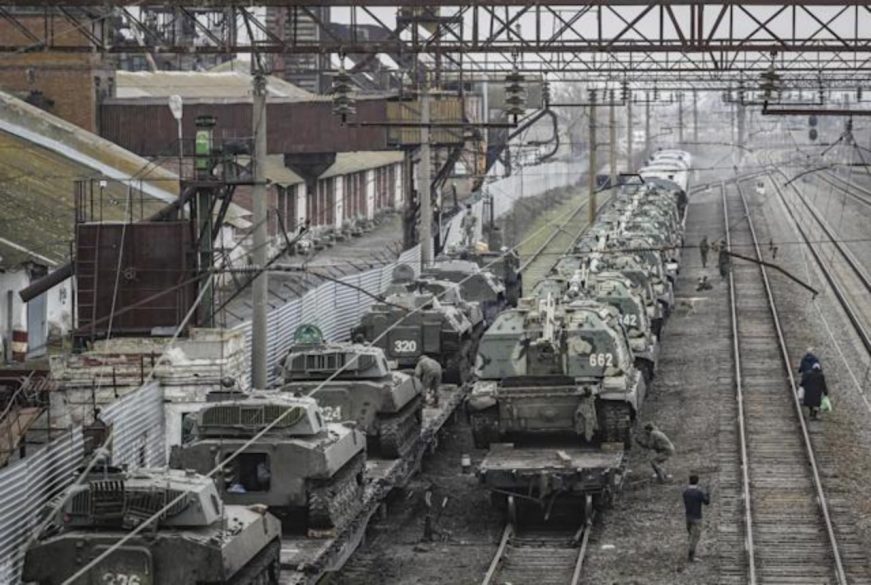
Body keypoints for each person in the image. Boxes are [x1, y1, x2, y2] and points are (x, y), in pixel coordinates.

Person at [682, 474, 711, 562]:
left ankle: (690, 551)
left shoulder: (685, 492)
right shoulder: (699, 493)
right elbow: (707, 502)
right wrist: (708, 494)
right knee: (695, 537)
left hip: (688, 516)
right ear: (697, 481)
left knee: (691, 535)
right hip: (697, 517)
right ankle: (691, 556)